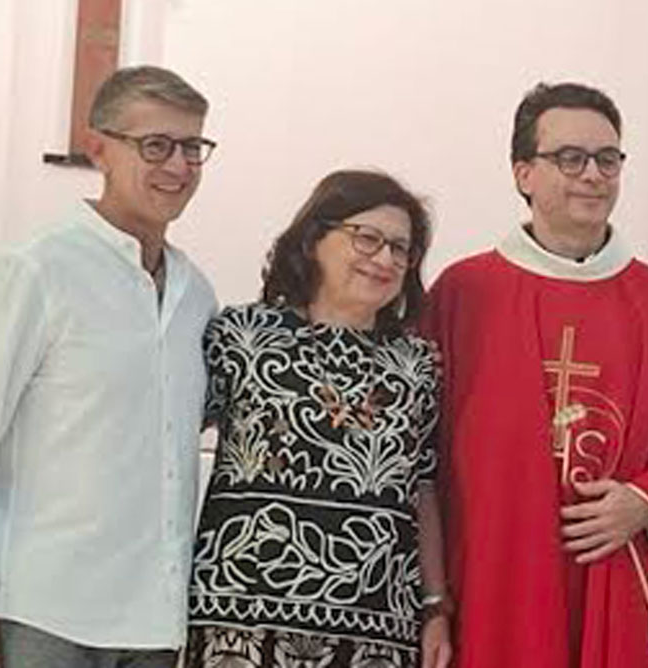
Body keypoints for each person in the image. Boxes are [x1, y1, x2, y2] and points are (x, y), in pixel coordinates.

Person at [423, 81, 648, 668]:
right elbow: (417, 448)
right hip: (493, 573)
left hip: (617, 575)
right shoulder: (463, 294)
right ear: (523, 173)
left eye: (607, 159)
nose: (593, 175)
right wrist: (431, 601)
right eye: (570, 158)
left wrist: (646, 501)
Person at [0, 65, 217, 667]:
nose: (178, 166)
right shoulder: (37, 271)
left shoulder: (197, 295)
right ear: (99, 150)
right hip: (41, 612)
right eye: (156, 145)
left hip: (155, 620)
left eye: (192, 147)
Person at [185, 170, 451, 668]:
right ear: (313, 240)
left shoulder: (417, 365)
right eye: (367, 238)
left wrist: (435, 606)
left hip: (376, 630)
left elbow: (424, 489)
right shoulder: (242, 336)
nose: (385, 260)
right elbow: (170, 445)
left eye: (401, 249)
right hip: (241, 621)